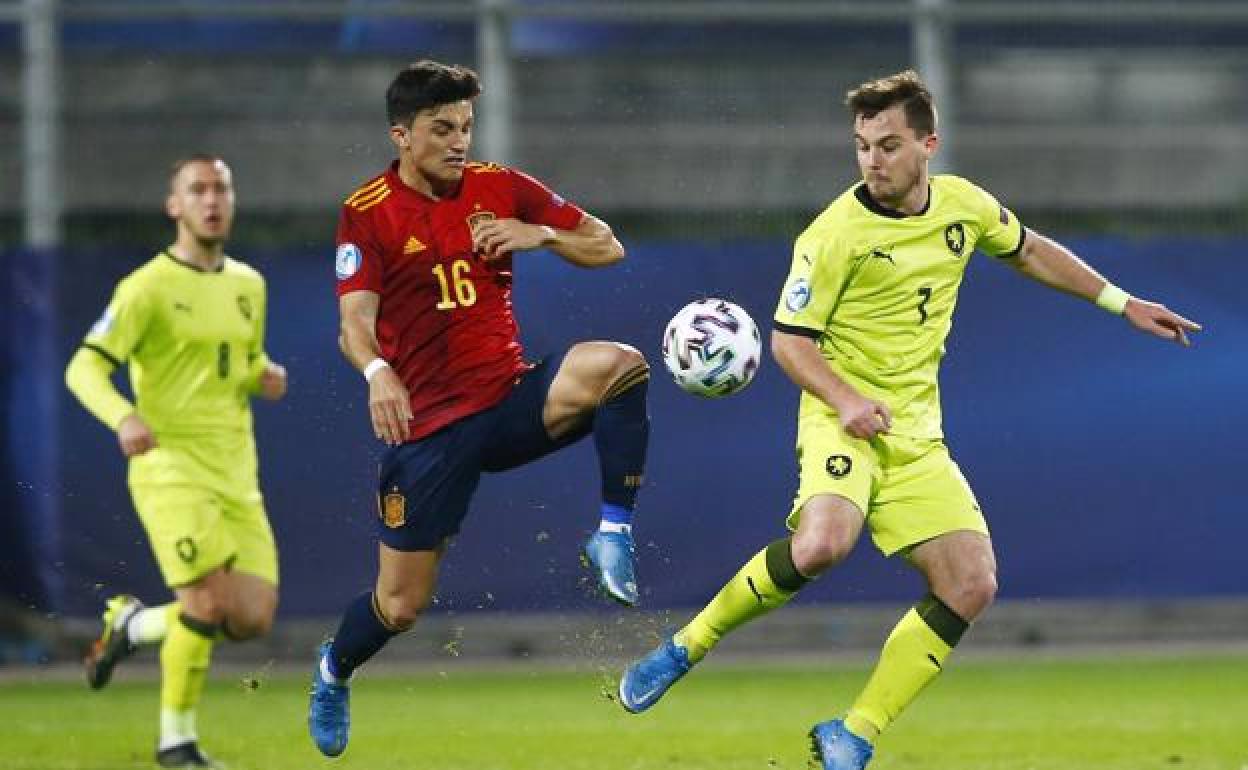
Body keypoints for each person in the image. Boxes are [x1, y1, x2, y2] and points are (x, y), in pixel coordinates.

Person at [617, 70, 1201, 769]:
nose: (872, 160)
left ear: (929, 144)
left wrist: (1120, 301)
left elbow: (1031, 249)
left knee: (972, 583)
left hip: (915, 431)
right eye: (862, 145)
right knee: (823, 543)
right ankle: (686, 647)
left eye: (888, 145)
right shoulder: (833, 234)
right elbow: (788, 344)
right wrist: (847, 401)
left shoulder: (962, 206)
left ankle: (854, 731)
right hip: (842, 417)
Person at [307, 60, 649, 757]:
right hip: (429, 431)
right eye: (441, 129)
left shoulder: (500, 187)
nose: (458, 141)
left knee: (621, 366)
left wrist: (541, 236)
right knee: (400, 608)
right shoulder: (367, 212)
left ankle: (612, 531)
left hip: (507, 398)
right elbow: (354, 325)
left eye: (465, 126)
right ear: (402, 135)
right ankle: (333, 669)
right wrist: (377, 372)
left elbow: (607, 245)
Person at [65, 155, 288, 769]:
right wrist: (123, 416)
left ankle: (130, 628)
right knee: (205, 606)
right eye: (197, 190)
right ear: (175, 206)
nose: (211, 200)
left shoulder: (250, 285)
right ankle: (176, 742)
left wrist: (260, 374)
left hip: (237, 470)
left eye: (221, 188)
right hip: (170, 464)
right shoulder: (145, 288)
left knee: (251, 616)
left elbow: (235, 363)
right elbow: (83, 366)